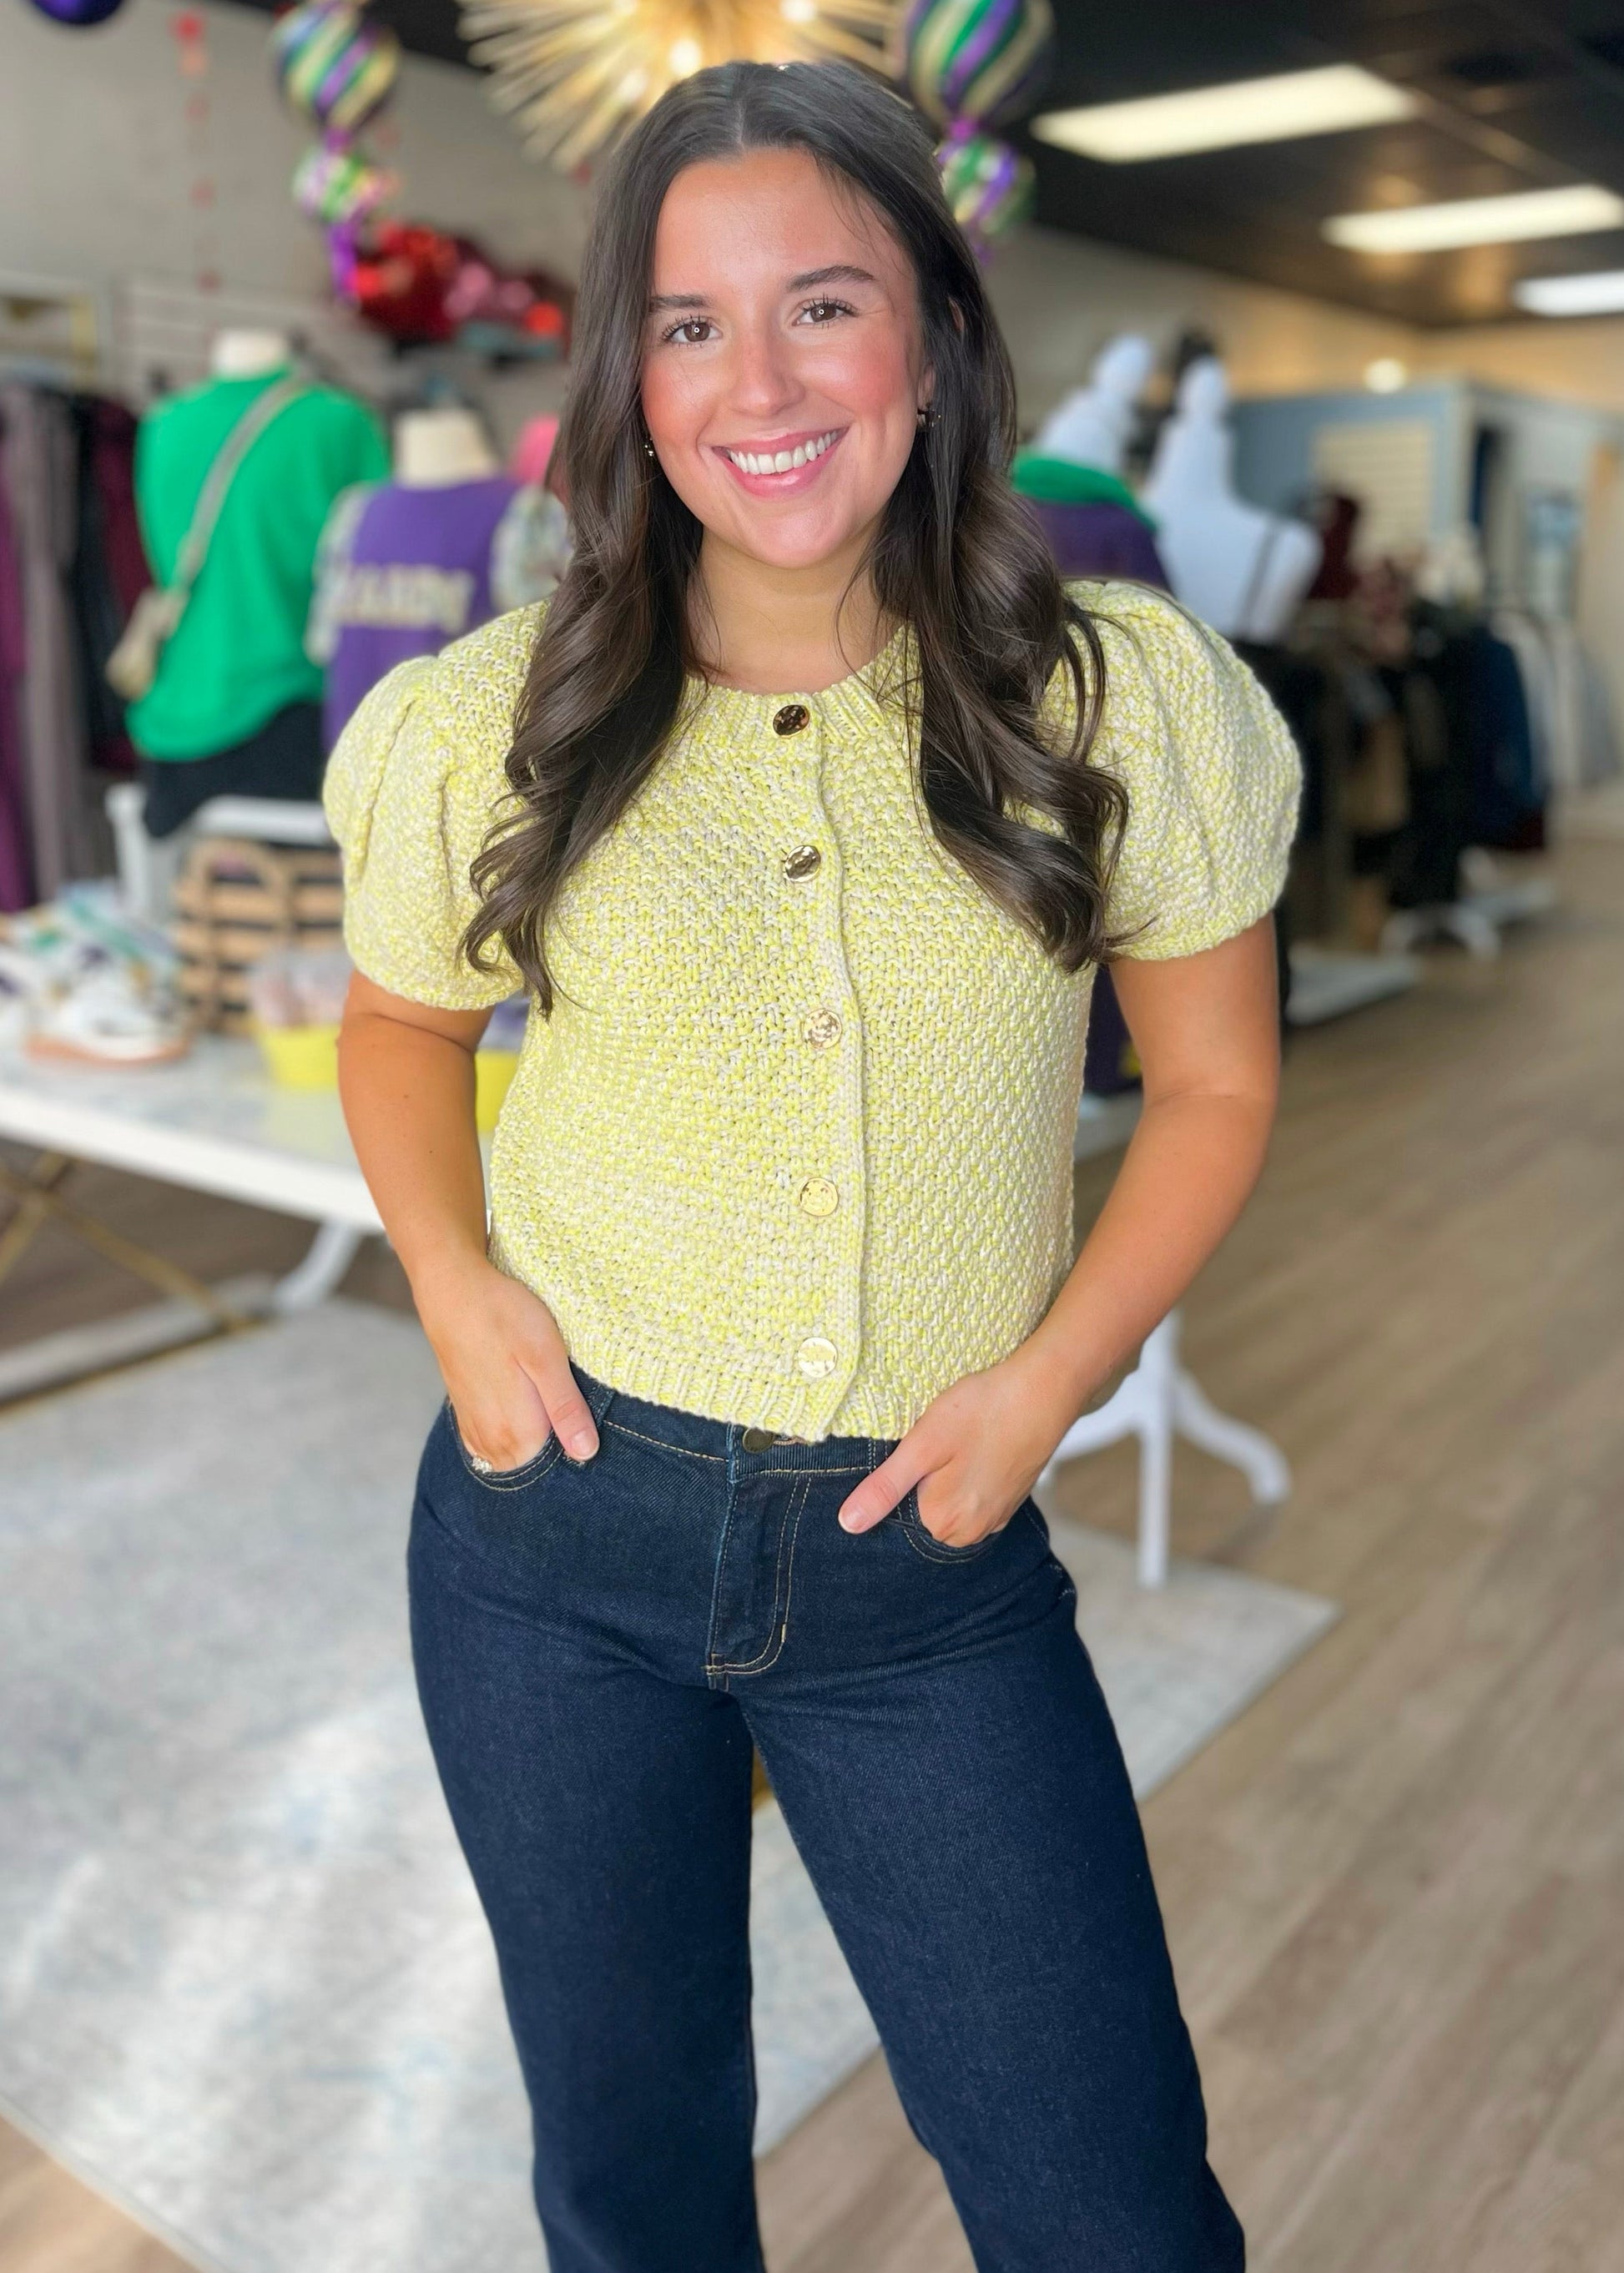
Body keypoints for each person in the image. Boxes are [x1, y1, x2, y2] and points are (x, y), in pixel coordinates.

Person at [325, 58, 1298, 2273]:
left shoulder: (1117, 701)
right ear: (632, 376)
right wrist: (456, 1287)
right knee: (631, 2178)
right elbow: (400, 1025)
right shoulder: (500, 714)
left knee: (1110, 2210)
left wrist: (1044, 1389)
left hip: (920, 1568)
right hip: (548, 1541)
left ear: (934, 340)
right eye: (690, 325)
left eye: (822, 306)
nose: (755, 386)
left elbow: (1217, 1089)